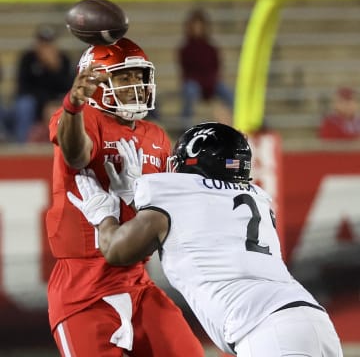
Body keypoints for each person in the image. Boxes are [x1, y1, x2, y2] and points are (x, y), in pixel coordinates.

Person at [68, 122, 343, 357]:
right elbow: (200, 222)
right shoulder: (257, 197)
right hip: (314, 321)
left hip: (265, 329)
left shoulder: (174, 194)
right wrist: (136, 197)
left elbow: (116, 251)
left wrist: (103, 214)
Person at [46, 38, 204, 356]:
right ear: (99, 83)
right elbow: (76, 154)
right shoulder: (83, 119)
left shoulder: (156, 136)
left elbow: (168, 216)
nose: (135, 84)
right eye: (124, 76)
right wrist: (73, 106)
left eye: (139, 76)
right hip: (84, 287)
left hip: (137, 282)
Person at [12, 24, 73, 143]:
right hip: (34, 99)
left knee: (67, 107)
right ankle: (21, 145)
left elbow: (67, 87)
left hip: (55, 99)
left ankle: (64, 145)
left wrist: (54, 68)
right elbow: (22, 87)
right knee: (24, 106)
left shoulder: (63, 59)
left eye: (49, 43)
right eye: (42, 43)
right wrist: (44, 101)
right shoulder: (27, 58)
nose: (45, 47)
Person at [177, 9, 234, 128]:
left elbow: (216, 68)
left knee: (230, 95)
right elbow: (187, 71)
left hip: (211, 82)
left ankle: (240, 123)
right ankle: (184, 126)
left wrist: (210, 84)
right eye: (195, 26)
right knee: (190, 91)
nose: (197, 29)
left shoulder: (211, 48)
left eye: (200, 26)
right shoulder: (185, 49)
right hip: (194, 83)